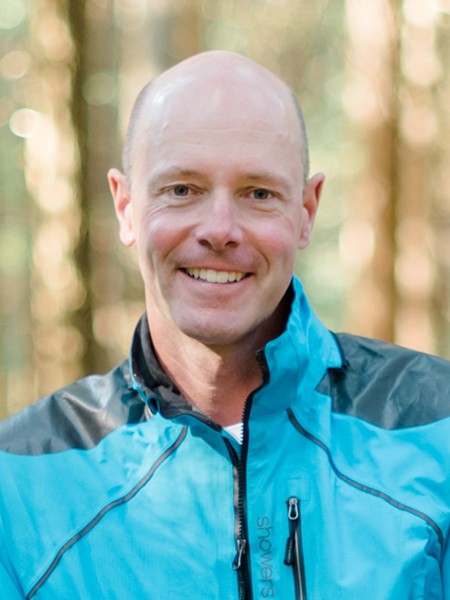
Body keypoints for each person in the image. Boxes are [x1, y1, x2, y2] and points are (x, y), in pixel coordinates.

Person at [0, 50, 449, 600]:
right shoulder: (19, 485)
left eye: (258, 193)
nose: (219, 230)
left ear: (306, 211)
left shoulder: (439, 432)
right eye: (181, 190)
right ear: (126, 207)